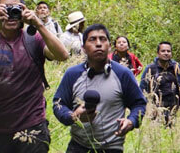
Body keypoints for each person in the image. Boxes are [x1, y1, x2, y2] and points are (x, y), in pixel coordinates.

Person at [0, 0, 69, 152]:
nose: (11, 15)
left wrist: (38, 23)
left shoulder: (34, 39)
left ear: (24, 11)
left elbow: (62, 55)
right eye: (5, 9)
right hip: (0, 127)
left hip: (33, 125)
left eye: (16, 9)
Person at [53, 24, 147, 153]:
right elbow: (59, 104)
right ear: (83, 48)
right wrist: (72, 116)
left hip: (111, 147)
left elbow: (139, 104)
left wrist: (131, 121)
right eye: (92, 39)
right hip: (78, 146)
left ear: (109, 46)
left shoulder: (123, 74)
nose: (98, 44)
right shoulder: (72, 74)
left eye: (103, 39)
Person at [139, 41, 180, 126]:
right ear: (158, 53)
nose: (166, 53)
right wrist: (148, 106)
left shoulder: (176, 67)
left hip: (173, 108)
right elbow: (142, 88)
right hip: (156, 109)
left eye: (168, 51)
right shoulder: (150, 68)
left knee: (171, 134)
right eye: (163, 51)